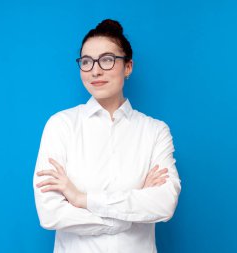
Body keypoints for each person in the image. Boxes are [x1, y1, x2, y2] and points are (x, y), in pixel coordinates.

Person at [33, 19, 181, 253]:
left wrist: (82, 199)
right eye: (86, 62)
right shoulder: (61, 125)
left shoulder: (155, 131)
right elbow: (50, 213)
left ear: (128, 66)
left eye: (107, 59)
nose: (95, 70)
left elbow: (164, 204)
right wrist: (128, 213)